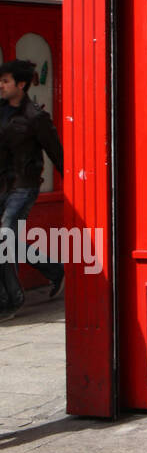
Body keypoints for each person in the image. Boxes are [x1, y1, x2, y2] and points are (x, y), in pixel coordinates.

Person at [0, 59, 64, 318]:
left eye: (5, 81)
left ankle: (12, 301)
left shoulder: (36, 117)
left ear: (21, 84)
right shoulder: (1, 111)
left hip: (24, 187)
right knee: (8, 241)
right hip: (2, 184)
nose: (1, 86)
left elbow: (56, 153)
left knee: (4, 236)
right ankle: (54, 270)